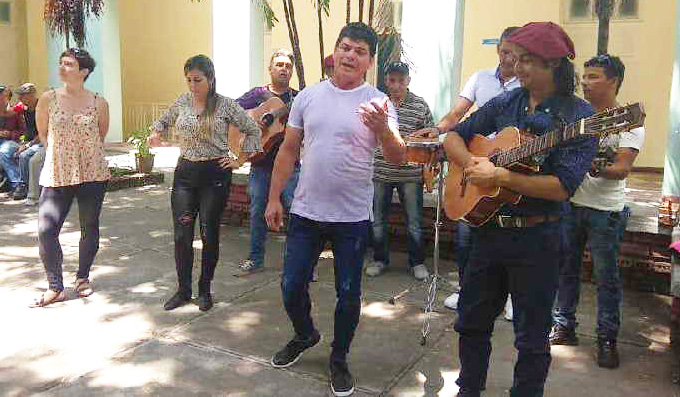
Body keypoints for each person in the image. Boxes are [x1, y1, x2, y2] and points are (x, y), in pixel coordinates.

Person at [441, 22, 597, 396]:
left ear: (554, 64)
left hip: (538, 238)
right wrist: (472, 166)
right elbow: (453, 135)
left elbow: (562, 187)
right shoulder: (506, 102)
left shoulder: (580, 116)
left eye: (528, 60)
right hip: (488, 232)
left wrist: (502, 177)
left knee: (531, 336)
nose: (518, 66)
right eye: (517, 57)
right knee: (472, 322)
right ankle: (468, 389)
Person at [264, 22, 404, 396]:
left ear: (369, 61)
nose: (350, 55)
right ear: (336, 53)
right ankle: (305, 333)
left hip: (352, 218)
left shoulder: (379, 102)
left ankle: (339, 357)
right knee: (291, 285)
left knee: (348, 293)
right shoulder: (309, 96)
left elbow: (398, 155)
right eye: (346, 47)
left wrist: (383, 129)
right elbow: (289, 150)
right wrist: (274, 197)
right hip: (306, 211)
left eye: (359, 51)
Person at [551, 54, 643, 369]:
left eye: (594, 77)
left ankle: (607, 338)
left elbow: (621, 168)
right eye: (585, 76)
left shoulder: (628, 120)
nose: (585, 83)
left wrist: (592, 165)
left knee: (607, 278)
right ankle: (564, 325)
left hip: (606, 210)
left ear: (614, 80)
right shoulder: (577, 116)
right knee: (566, 269)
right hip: (571, 203)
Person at [150, 55, 261, 312]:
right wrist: (156, 133)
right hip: (186, 174)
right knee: (182, 234)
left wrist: (240, 159)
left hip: (215, 174)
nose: (192, 85)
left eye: (197, 80)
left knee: (209, 233)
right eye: (188, 80)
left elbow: (252, 128)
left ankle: (205, 290)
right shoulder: (183, 101)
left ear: (210, 79)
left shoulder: (225, 105)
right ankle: (183, 289)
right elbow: (163, 120)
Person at [425, 27, 521, 318]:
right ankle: (466, 288)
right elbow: (457, 115)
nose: (507, 57)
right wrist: (439, 130)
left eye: (514, 53)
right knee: (467, 233)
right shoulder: (480, 78)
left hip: (511, 162)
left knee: (509, 234)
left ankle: (510, 297)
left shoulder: (527, 88)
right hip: (474, 160)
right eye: (504, 50)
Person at [31, 48, 111, 307]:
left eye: (69, 64)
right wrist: (60, 156)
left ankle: (83, 277)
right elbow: (43, 133)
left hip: (92, 173)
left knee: (89, 227)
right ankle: (55, 286)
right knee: (46, 230)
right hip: (58, 172)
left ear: (84, 71)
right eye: (61, 63)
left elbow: (100, 135)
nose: (62, 68)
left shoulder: (99, 101)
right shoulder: (48, 99)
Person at [364, 61, 433, 280]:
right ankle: (380, 259)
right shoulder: (377, 104)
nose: (396, 85)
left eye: (401, 80)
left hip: (410, 174)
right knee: (378, 220)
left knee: (413, 221)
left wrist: (428, 164)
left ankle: (417, 262)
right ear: (386, 81)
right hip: (381, 172)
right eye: (392, 80)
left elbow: (431, 136)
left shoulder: (420, 105)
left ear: (408, 81)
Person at [235, 49, 300, 275]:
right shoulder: (257, 95)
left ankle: (299, 263)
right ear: (270, 68)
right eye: (279, 64)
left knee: (296, 211)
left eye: (287, 66)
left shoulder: (298, 98)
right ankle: (255, 259)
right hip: (261, 164)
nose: (284, 68)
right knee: (257, 211)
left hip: (291, 165)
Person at [11, 83, 41, 201]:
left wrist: (28, 145)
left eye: (22, 96)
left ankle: (24, 185)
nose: (19, 99)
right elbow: (25, 131)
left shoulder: (42, 108)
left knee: (24, 156)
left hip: (43, 141)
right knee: (12, 152)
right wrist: (23, 142)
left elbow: (44, 132)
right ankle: (15, 183)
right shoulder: (25, 110)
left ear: (31, 95)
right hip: (31, 141)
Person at [0, 84, 26, 193]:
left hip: (12, 141)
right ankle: (7, 180)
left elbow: (24, 132)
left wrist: (10, 134)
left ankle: (18, 184)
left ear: (8, 98)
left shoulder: (16, 112)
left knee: (4, 151)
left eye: (2, 96)